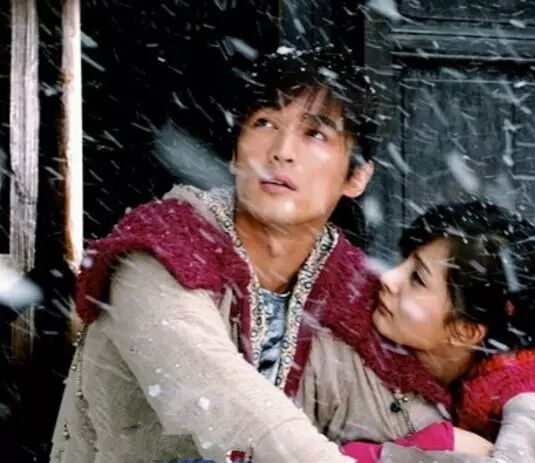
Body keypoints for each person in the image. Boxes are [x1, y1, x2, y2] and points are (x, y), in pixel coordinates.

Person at [49, 47, 454, 462]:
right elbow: (217, 396)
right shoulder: (160, 250)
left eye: (314, 134)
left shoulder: (350, 297)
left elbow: (410, 420)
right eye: (265, 123)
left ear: (357, 176)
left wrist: (454, 442)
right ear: (235, 153)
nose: (282, 151)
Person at [339, 201, 535, 462]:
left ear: (466, 331)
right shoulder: (365, 334)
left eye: (417, 278)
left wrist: (436, 442)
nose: (388, 277)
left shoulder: (527, 394)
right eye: (404, 261)